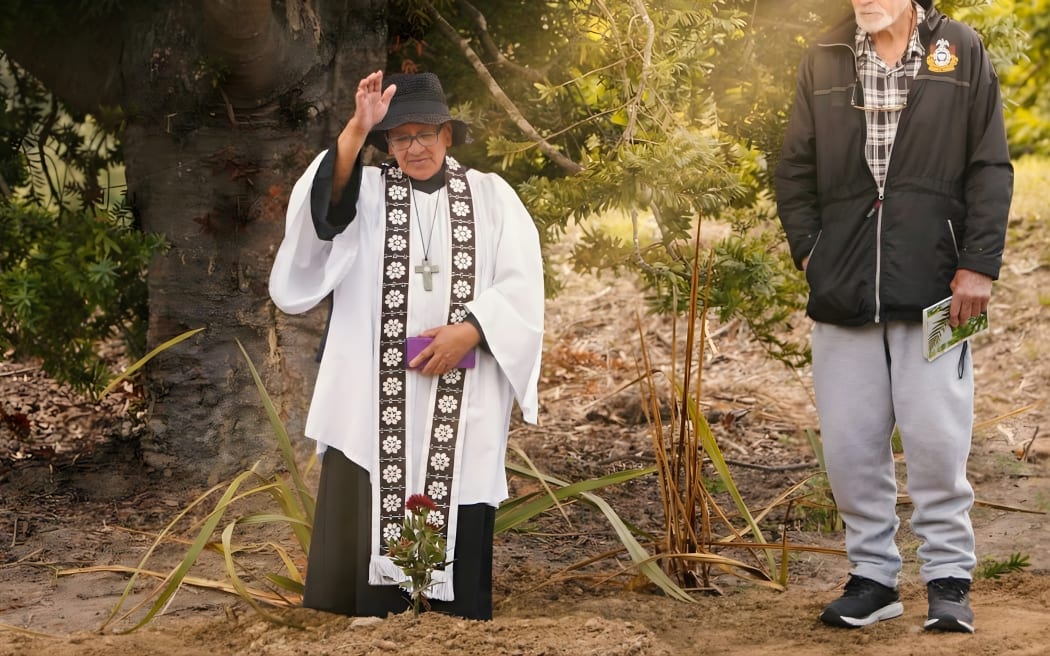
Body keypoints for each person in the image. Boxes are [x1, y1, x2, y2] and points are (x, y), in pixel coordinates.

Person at [269, 71, 545, 620]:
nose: (413, 148)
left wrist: (472, 328)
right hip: (373, 387)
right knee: (370, 473)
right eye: (399, 138)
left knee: (457, 472)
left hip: (462, 382)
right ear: (387, 145)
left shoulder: (493, 198)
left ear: (447, 134)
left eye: (424, 134)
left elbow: (523, 283)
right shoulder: (367, 192)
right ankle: (369, 612)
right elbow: (322, 216)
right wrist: (355, 130)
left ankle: (450, 616)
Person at [774, 0, 1011, 634]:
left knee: (938, 442)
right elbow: (793, 167)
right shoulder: (822, 56)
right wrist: (811, 255)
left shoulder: (960, 48)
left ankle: (949, 581)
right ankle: (874, 580)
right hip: (842, 288)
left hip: (944, 287)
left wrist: (981, 264)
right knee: (850, 447)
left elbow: (990, 164)